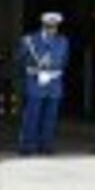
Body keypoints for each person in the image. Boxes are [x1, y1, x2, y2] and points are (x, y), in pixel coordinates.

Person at [16, 11, 71, 156]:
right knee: (32, 115)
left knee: (50, 116)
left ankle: (46, 144)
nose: (53, 29)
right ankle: (27, 145)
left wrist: (52, 68)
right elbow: (20, 59)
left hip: (54, 82)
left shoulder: (62, 41)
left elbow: (64, 61)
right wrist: (35, 68)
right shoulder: (29, 40)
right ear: (44, 26)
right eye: (50, 27)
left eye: (55, 27)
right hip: (36, 81)